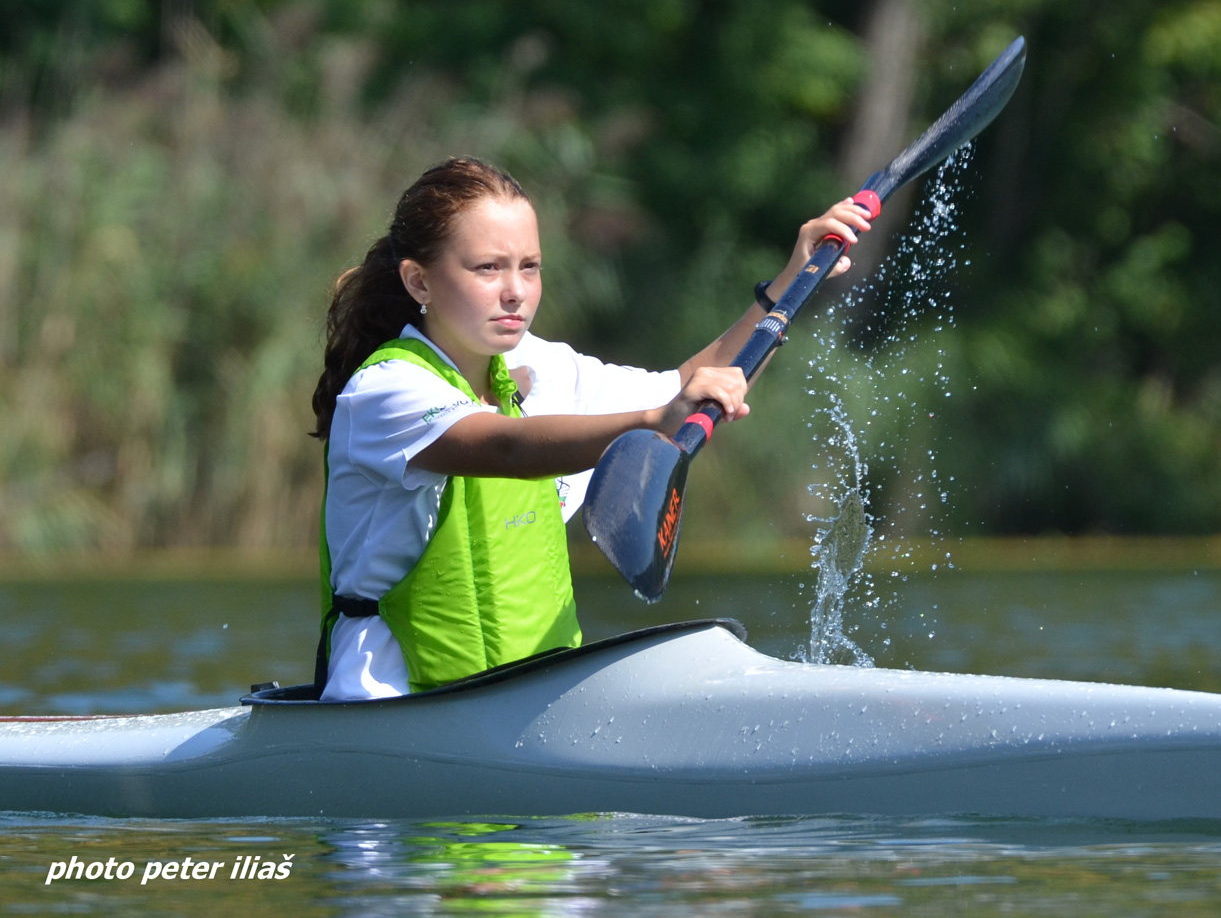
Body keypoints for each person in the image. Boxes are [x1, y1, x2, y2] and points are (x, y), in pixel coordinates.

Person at [311, 156, 868, 700]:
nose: (516, 291)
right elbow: (507, 448)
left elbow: (690, 385)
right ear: (419, 281)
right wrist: (654, 422)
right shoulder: (385, 390)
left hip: (526, 699)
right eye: (488, 268)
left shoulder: (544, 367)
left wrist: (793, 280)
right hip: (388, 705)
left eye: (530, 267)